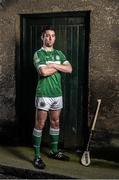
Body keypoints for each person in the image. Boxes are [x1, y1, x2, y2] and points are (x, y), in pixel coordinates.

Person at [32, 26, 72, 169]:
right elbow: (43, 72)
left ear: (55, 38)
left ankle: (54, 151)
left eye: (53, 35)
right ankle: (37, 156)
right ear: (42, 37)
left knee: (55, 122)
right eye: (47, 35)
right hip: (44, 94)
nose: (50, 38)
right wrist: (60, 66)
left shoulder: (59, 53)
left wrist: (53, 65)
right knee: (40, 124)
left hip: (57, 94)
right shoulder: (39, 54)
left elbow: (69, 69)